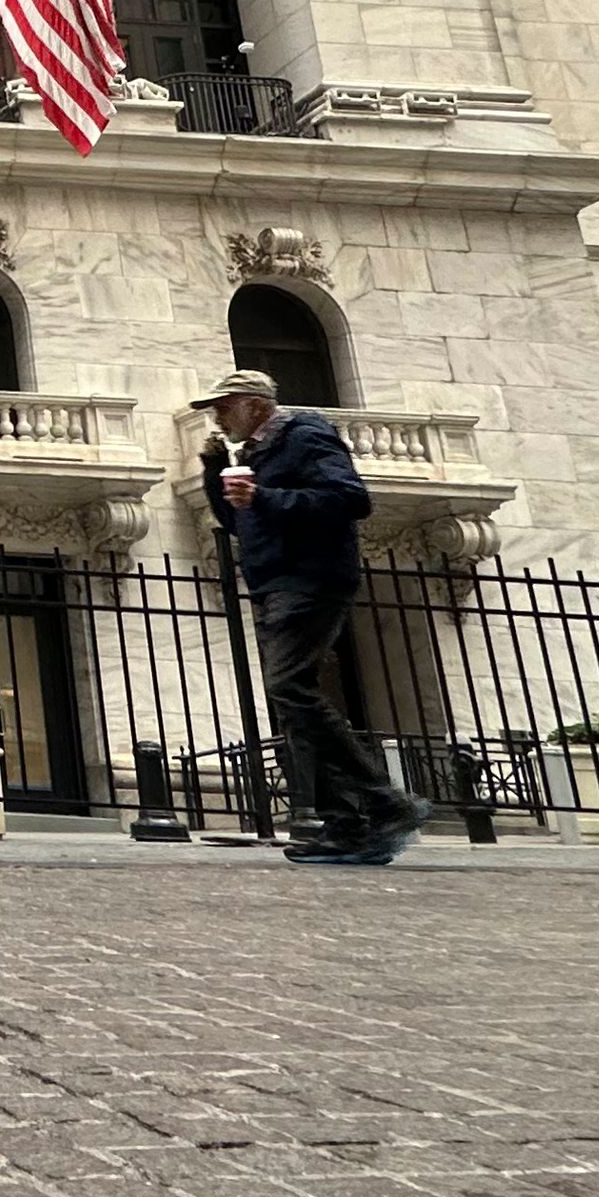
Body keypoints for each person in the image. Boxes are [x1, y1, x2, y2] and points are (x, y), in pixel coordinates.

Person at [200, 367, 427, 866]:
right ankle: (345, 825)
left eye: (223, 405)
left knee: (290, 689)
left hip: (310, 579)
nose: (215, 416)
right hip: (273, 582)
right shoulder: (252, 452)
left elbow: (351, 499)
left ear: (255, 405)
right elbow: (238, 521)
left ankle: (385, 801)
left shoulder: (305, 435)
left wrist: (266, 495)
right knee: (292, 702)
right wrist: (215, 475)